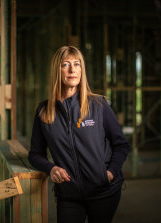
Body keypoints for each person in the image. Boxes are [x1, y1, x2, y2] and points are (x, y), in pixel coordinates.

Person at [28, 46, 130, 223]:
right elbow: (35, 154)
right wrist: (51, 168)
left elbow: (121, 144)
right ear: (56, 70)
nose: (72, 69)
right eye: (65, 64)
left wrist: (110, 173)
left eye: (77, 64)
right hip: (69, 195)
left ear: (82, 70)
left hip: (103, 192)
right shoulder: (44, 111)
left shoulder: (98, 105)